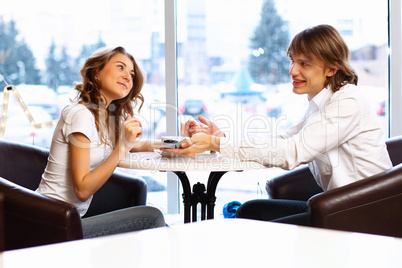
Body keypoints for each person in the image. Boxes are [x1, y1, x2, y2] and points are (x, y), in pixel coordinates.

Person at [162, 24, 392, 226]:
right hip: (338, 206)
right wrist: (221, 138)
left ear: (332, 68)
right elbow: (282, 141)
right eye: (292, 60)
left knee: (251, 219)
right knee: (251, 211)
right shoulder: (322, 103)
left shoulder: (347, 102)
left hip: (364, 213)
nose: (293, 70)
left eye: (304, 63)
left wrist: (216, 143)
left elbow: (293, 152)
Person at [36, 46, 165, 238]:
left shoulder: (104, 116)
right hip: (49, 223)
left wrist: (176, 144)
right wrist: (122, 146)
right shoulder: (81, 114)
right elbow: (82, 189)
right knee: (151, 218)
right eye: (120, 67)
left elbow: (135, 145)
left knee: (156, 221)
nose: (128, 77)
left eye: (131, 73)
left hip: (69, 219)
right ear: (96, 73)